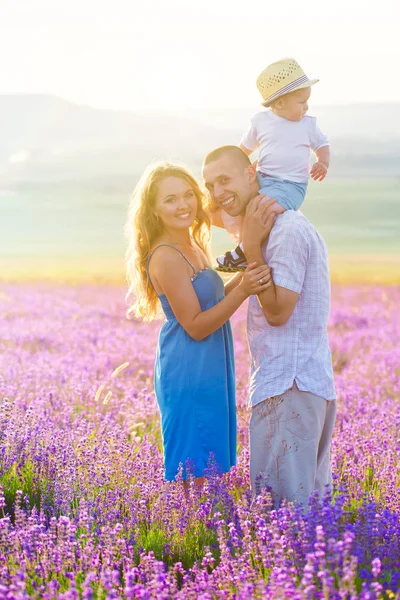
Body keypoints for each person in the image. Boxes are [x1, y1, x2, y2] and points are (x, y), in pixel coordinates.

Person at [202, 146, 336, 508]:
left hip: (289, 387)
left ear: (251, 172)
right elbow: (212, 208)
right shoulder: (265, 223)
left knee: (285, 517)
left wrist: (252, 249)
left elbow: (278, 312)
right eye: (209, 184)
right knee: (306, 512)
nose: (216, 192)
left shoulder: (285, 231)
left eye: (224, 179)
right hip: (297, 385)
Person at [125, 162, 272, 486]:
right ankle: (190, 529)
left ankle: (204, 528)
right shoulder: (165, 255)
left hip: (210, 364)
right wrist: (245, 289)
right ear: (154, 210)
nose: (183, 205)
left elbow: (213, 302)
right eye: (170, 199)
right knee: (192, 466)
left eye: (188, 195)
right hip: (188, 366)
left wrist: (241, 280)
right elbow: (194, 325)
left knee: (209, 457)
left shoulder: (192, 244)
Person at [216, 57, 330, 272]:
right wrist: (232, 171)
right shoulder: (261, 122)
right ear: (279, 103)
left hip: (292, 186)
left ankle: (243, 252)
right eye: (301, 102)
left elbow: (322, 144)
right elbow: (244, 150)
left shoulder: (308, 125)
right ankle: (245, 242)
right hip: (263, 178)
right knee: (244, 204)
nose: (306, 107)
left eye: (307, 101)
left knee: (265, 210)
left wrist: (322, 162)